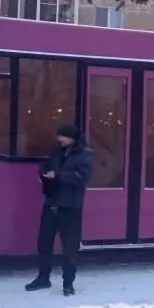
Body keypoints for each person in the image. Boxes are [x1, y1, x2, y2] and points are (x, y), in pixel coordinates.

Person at [25, 123, 94, 296]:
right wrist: (44, 174)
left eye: (62, 136)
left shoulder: (85, 154)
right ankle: (43, 278)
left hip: (70, 206)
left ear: (71, 137)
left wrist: (58, 176)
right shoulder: (56, 151)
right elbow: (46, 166)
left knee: (69, 247)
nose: (58, 139)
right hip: (51, 202)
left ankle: (68, 283)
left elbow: (81, 177)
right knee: (44, 243)